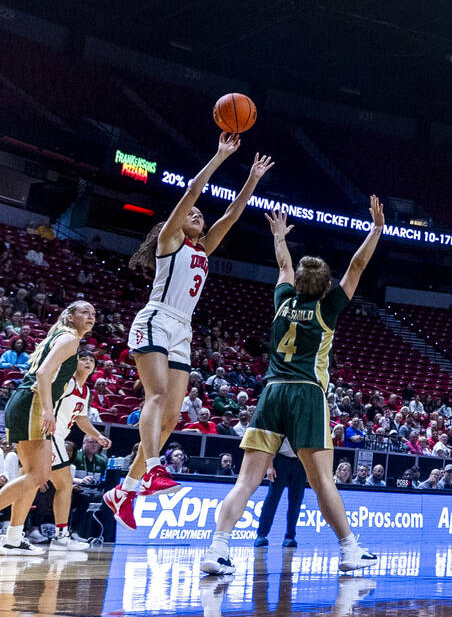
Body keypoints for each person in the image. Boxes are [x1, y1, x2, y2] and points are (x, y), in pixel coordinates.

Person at [199, 200, 385, 575]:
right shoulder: (328, 307)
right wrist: (376, 230)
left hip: (272, 391)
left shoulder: (283, 300)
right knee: (322, 482)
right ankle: (349, 549)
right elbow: (358, 266)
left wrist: (279, 237)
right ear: (327, 285)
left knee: (247, 481)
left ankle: (216, 549)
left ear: (298, 283)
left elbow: (284, 265)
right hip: (306, 392)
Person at [105, 135, 273, 530]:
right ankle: (153, 470)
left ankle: (123, 492)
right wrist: (219, 156)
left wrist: (251, 178)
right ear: (175, 223)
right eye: (191, 213)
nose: (197, 214)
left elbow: (230, 215)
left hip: (182, 329)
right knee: (158, 395)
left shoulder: (203, 248)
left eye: (200, 214)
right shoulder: (169, 241)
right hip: (156, 319)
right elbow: (193, 189)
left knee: (172, 416)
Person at [0, 300, 95, 553]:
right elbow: (43, 374)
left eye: (93, 313)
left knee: (30, 476)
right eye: (84, 311)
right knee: (38, 475)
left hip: (22, 401)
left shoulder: (57, 337)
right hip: (32, 402)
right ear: (70, 316)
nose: (91, 316)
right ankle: (13, 534)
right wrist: (47, 410)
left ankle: (13, 536)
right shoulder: (69, 339)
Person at [45, 350, 110, 551]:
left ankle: (17, 532)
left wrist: (98, 436)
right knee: (64, 485)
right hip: (49, 434)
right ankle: (60, 536)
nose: (88, 362)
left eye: (92, 360)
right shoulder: (66, 381)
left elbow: (81, 419)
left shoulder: (86, 391)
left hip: (58, 437)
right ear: (75, 362)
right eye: (83, 358)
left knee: (33, 483)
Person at [254, 439, 306, 548]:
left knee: (296, 502)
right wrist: (269, 465)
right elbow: (271, 442)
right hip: (281, 460)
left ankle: (290, 537)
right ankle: (261, 535)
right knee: (272, 499)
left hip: (301, 463)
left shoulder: (307, 424)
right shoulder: (282, 421)